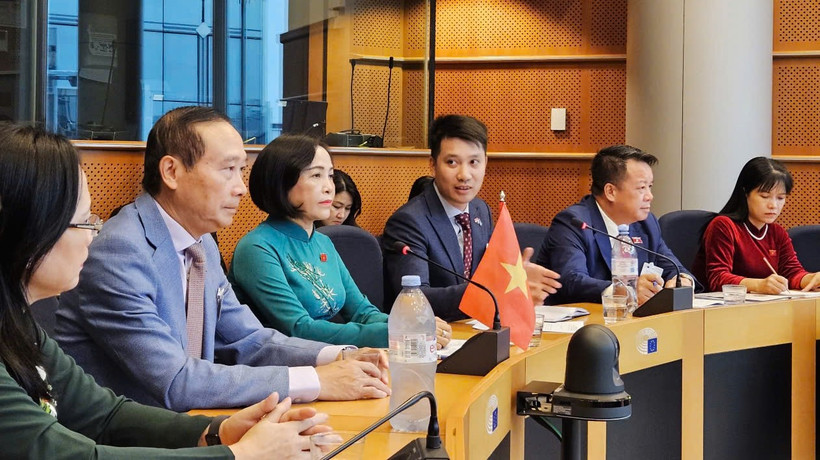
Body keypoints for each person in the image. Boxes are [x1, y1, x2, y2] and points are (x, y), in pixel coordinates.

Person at [0, 122, 331, 458]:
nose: (92, 235)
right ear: (23, 227)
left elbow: (105, 415)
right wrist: (242, 455)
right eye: (84, 221)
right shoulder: (118, 248)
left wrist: (216, 431)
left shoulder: (18, 324)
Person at [55, 106, 390, 412]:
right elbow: (176, 380)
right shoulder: (120, 250)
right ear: (171, 171)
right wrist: (318, 382)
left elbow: (249, 340)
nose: (240, 188)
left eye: (241, 170)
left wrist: (342, 355)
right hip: (130, 439)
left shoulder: (201, 244)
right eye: (228, 170)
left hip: (195, 423)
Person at [229, 134, 451, 349]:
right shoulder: (257, 248)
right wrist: (394, 332)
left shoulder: (323, 242)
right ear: (280, 181)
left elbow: (362, 311)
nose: (328, 187)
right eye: (316, 176)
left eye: (330, 176)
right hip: (285, 368)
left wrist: (410, 323)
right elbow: (298, 329)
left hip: (329, 358)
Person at [382, 114, 562, 321]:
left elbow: (487, 276)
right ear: (432, 164)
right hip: (431, 336)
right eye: (452, 162)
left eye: (474, 162)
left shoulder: (480, 210)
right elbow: (415, 299)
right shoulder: (409, 221)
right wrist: (495, 291)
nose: (464, 175)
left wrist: (515, 278)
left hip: (474, 328)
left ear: (486, 162)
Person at [538, 144, 695, 305]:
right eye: (641, 188)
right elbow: (572, 281)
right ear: (611, 191)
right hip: (580, 324)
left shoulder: (647, 224)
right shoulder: (574, 223)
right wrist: (626, 291)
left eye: (650, 186)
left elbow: (674, 268)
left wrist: (682, 281)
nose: (650, 196)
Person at [693, 157, 820, 293]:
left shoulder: (777, 232)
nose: (773, 205)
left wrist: (811, 279)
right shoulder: (724, 226)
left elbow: (792, 273)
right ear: (745, 193)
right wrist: (758, 285)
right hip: (721, 308)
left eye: (780, 198)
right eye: (765, 196)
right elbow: (718, 278)